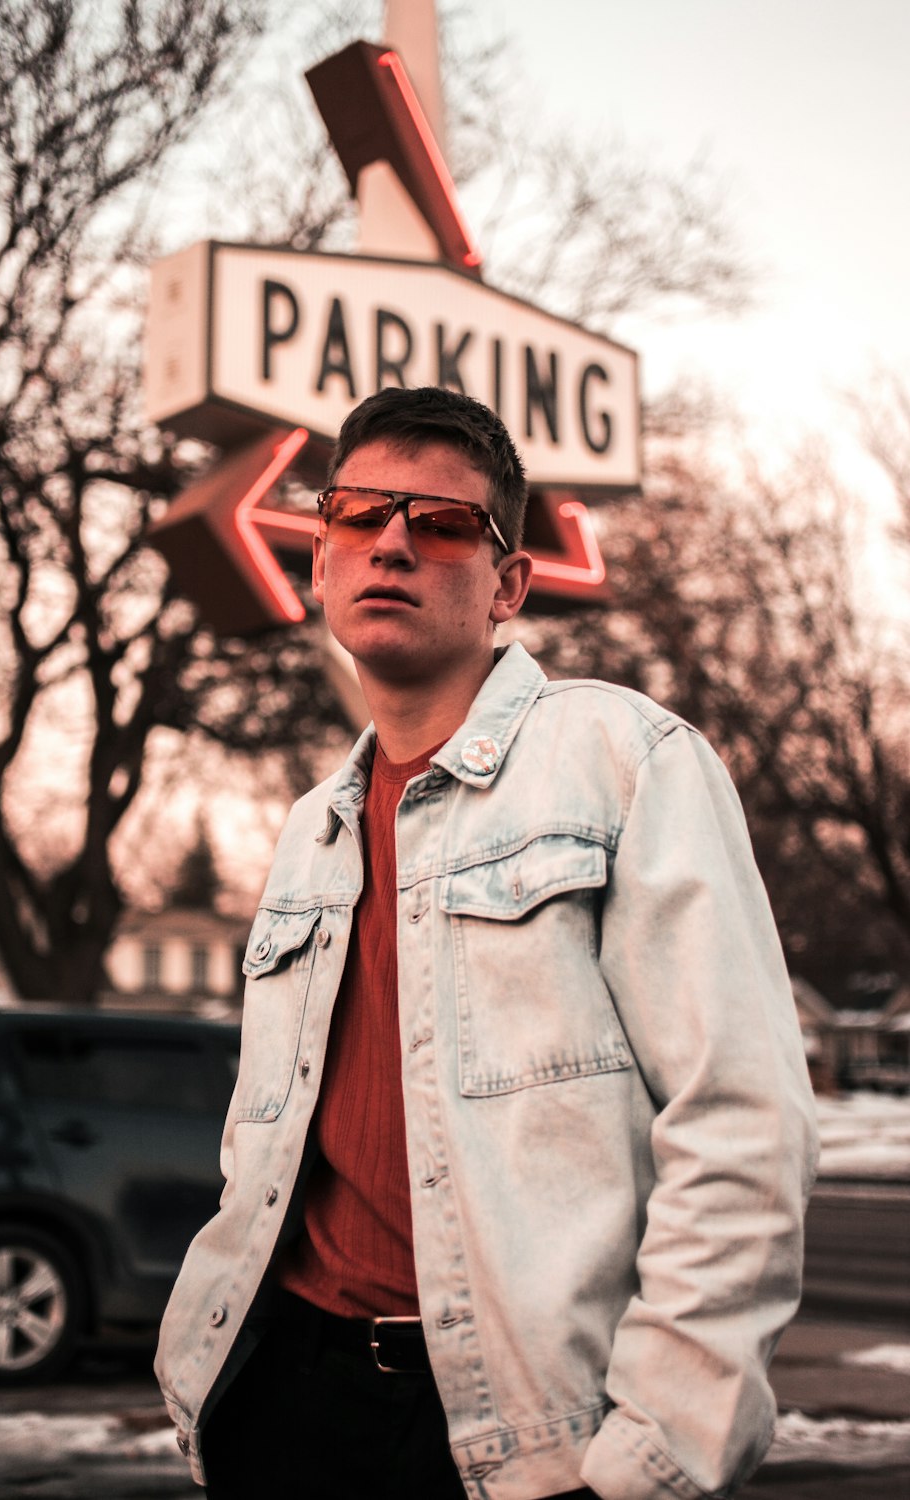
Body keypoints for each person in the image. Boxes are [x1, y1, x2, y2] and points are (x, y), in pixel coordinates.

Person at [155, 386, 819, 1500]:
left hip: (510, 1442)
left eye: (444, 521)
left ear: (509, 583)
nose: (395, 542)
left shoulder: (624, 760)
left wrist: (651, 1458)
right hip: (281, 1404)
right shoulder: (308, 830)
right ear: (319, 558)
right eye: (359, 514)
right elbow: (259, 1148)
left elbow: (743, 1129)